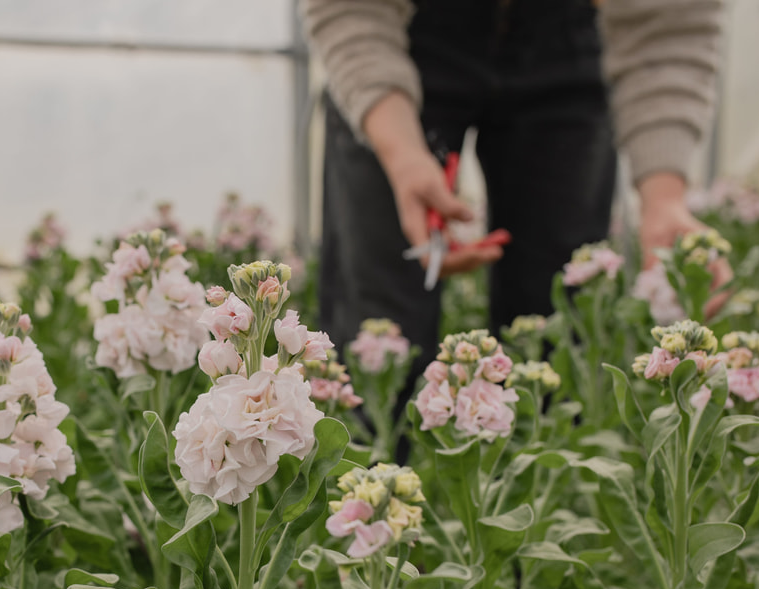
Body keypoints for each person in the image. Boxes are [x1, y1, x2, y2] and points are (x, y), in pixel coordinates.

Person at [304, 0, 723, 387]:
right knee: (377, 337)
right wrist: (402, 152)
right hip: (402, 34)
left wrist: (664, 199)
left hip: (566, 33)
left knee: (554, 335)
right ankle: (372, 464)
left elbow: (668, 17)